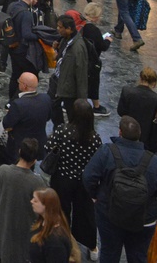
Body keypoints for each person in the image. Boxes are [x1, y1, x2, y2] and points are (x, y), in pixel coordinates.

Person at [82, 116, 157, 263]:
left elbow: (88, 177)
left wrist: (96, 195)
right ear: (140, 134)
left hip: (109, 213)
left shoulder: (106, 152)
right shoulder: (154, 161)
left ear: (120, 132)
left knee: (109, 253)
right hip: (143, 219)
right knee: (138, 256)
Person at [46, 100, 101, 259]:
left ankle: (63, 244)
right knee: (85, 213)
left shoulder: (62, 131)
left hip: (62, 178)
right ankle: (92, 247)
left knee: (61, 212)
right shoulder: (94, 138)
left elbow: (49, 147)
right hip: (83, 181)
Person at [0, 138, 46, 263]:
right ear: (34, 161)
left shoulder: (3, 171)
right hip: (25, 231)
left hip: (4, 225)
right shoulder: (37, 182)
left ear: (20, 151)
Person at [2, 72, 51, 163]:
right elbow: (47, 118)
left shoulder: (18, 104)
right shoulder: (46, 98)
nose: (17, 83)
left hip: (20, 146)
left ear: (24, 86)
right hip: (39, 143)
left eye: (19, 81)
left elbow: (6, 124)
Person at [116, 68, 157, 154]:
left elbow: (121, 112)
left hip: (127, 136)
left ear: (140, 79)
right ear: (154, 83)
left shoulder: (127, 92)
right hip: (147, 143)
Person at [50, 15, 89, 126]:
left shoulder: (78, 48)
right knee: (52, 106)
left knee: (72, 113)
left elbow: (81, 74)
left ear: (69, 29)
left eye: (60, 27)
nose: (58, 29)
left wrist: (82, 99)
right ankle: (59, 129)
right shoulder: (64, 39)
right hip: (57, 80)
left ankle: (72, 133)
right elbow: (62, 57)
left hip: (68, 87)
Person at [29, 188, 80, 263]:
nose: (31, 201)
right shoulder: (42, 223)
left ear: (46, 206)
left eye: (35, 200)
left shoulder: (55, 243)